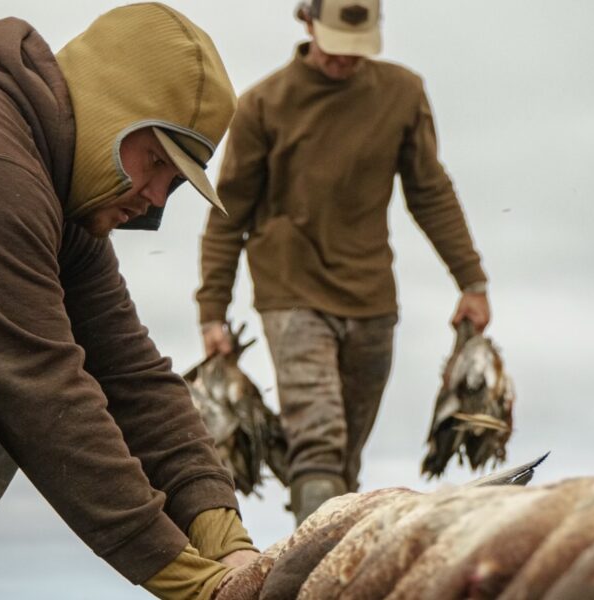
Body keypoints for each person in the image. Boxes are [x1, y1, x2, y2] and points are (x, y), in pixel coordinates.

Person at [0, 4, 258, 598]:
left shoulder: (58, 204)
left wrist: (232, 546)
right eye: (154, 162)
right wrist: (193, 584)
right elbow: (43, 391)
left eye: (175, 182)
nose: (154, 199)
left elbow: (131, 376)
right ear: (106, 113)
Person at [196, 0, 491, 525]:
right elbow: (227, 216)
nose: (346, 61)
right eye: (336, 48)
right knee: (319, 443)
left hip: (372, 299)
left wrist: (471, 280)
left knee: (344, 459)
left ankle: (328, 545)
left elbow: (430, 193)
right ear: (306, 22)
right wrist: (212, 310)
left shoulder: (401, 93)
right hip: (291, 295)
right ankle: (319, 578)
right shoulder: (264, 105)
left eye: (358, 50)